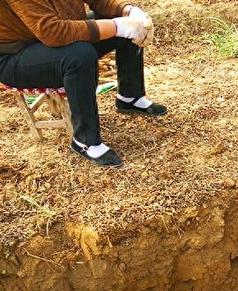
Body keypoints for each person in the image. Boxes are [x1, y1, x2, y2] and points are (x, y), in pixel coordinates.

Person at [0, 0, 167, 167]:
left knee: (128, 23)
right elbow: (52, 31)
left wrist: (127, 11)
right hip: (15, 54)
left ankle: (129, 97)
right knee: (79, 55)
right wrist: (117, 26)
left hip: (51, 34)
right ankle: (84, 140)